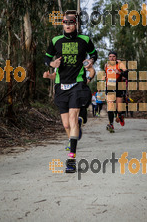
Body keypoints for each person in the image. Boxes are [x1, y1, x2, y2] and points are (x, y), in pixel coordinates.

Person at [44, 10, 97, 173]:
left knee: (73, 119)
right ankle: (75, 133)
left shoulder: (85, 40)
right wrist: (52, 64)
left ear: (76, 24)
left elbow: (94, 54)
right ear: (62, 24)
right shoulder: (55, 41)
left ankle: (71, 159)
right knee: (66, 124)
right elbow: (47, 57)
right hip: (61, 85)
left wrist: (90, 61)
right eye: (65, 22)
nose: (67, 24)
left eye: (71, 22)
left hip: (78, 84)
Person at [105, 51, 128, 132]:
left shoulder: (120, 64)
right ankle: (111, 124)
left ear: (116, 57)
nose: (112, 58)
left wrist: (120, 72)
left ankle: (120, 115)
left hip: (119, 86)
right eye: (110, 56)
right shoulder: (106, 65)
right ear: (108, 57)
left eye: (113, 56)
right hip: (110, 86)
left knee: (119, 108)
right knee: (110, 105)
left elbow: (127, 74)